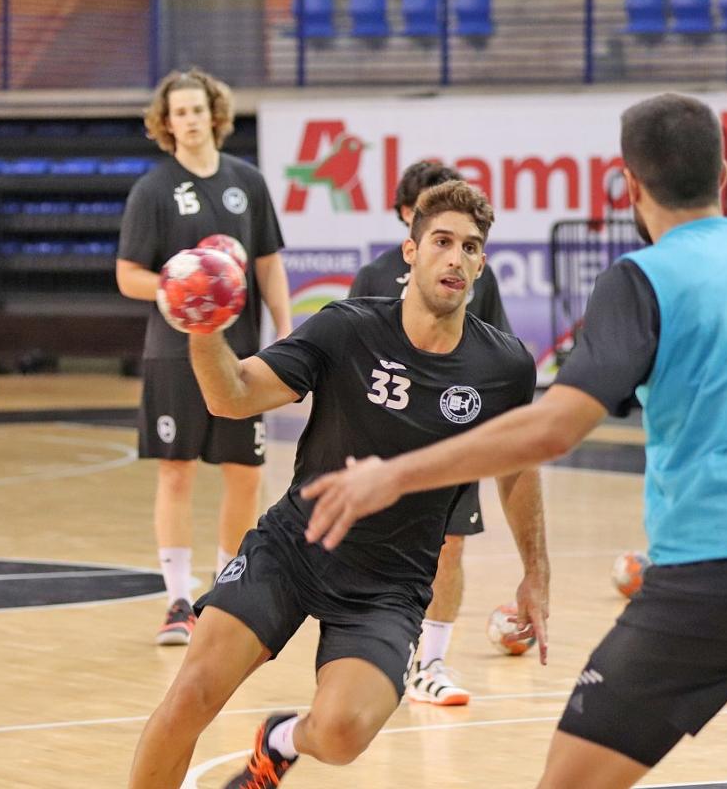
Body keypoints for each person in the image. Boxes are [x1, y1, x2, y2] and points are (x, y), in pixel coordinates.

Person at [302, 93, 727, 788]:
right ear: (726, 174)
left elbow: (554, 428)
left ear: (631, 185)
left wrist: (396, 473)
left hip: (711, 580)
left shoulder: (642, 278)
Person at [127, 180, 550, 789]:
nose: (456, 258)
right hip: (292, 550)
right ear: (411, 251)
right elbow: (232, 395)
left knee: (343, 734)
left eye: (471, 247)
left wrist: (537, 572)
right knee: (191, 695)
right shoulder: (345, 330)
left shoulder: (504, 366)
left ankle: (281, 739)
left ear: (483, 263)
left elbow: (517, 468)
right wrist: (203, 326)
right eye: (442, 241)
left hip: (389, 584)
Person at [116, 68, 292, 646]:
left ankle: (226, 588)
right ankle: (176, 600)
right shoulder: (153, 189)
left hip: (240, 353)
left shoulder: (248, 182)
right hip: (175, 351)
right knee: (177, 470)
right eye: (179, 112)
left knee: (246, 473)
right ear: (166, 124)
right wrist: (181, 282)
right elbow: (127, 276)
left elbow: (267, 262)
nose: (190, 120)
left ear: (215, 114)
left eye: (198, 109)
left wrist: (286, 331)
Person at [346, 160, 513, 706]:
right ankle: (374, 654)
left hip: (453, 438)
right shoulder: (372, 278)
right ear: (407, 222)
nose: (454, 253)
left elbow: (498, 354)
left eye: (466, 242)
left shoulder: (468, 276)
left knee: (451, 547)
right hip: (385, 447)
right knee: (376, 552)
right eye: (435, 228)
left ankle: (432, 661)